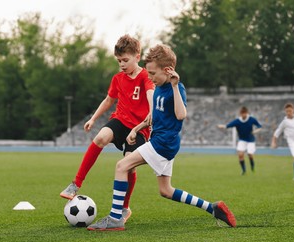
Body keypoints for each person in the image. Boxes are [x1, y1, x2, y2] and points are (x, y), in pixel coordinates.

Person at [87, 44, 236, 231]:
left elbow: (181, 115)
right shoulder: (157, 86)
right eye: (148, 73)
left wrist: (174, 86)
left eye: (152, 73)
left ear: (167, 71)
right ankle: (213, 208)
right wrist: (137, 128)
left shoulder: (176, 88)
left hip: (163, 143)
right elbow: (153, 117)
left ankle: (115, 218)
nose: (149, 78)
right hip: (162, 142)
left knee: (121, 166)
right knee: (166, 191)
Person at [60, 35, 155, 223]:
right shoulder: (118, 78)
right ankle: (75, 184)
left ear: (137, 56)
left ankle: (124, 209)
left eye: (125, 60)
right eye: (119, 61)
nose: (121, 64)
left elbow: (151, 93)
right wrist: (93, 119)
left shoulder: (145, 76)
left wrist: (152, 115)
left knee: (128, 166)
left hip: (139, 128)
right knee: (100, 138)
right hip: (120, 120)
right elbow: (109, 100)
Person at [218, 107, 262, 175]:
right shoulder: (237, 121)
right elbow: (228, 125)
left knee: (250, 155)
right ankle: (243, 170)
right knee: (240, 155)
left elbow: (260, 127)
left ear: (247, 113)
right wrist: (222, 126)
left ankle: (252, 166)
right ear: (240, 114)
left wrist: (255, 131)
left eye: (245, 113)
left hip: (251, 140)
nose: (243, 115)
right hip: (242, 140)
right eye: (242, 113)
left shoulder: (251, 119)